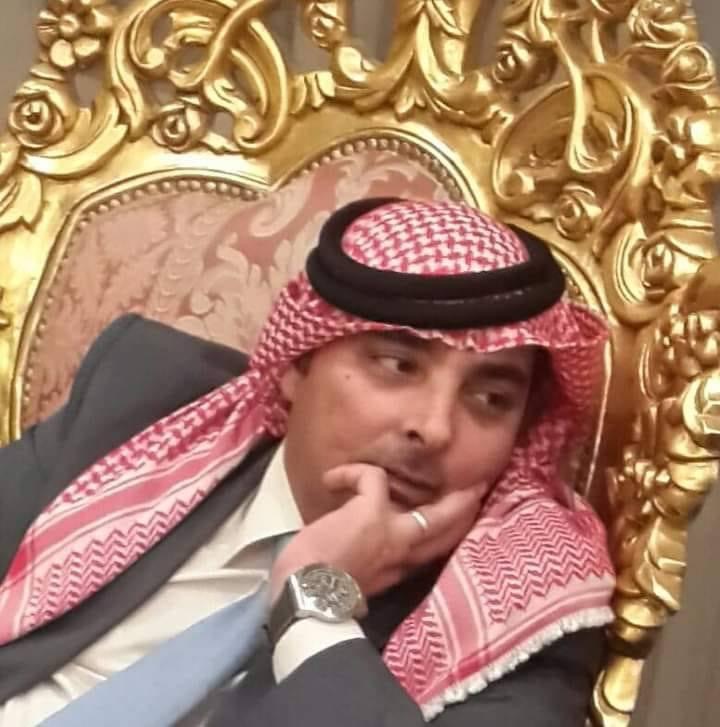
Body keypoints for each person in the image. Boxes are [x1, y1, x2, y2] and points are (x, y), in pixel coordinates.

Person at [0, 197, 615, 726]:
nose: (433, 427)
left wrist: (317, 604)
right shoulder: (149, 402)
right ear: (297, 364)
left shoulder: (522, 610)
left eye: (491, 398)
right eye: (398, 365)